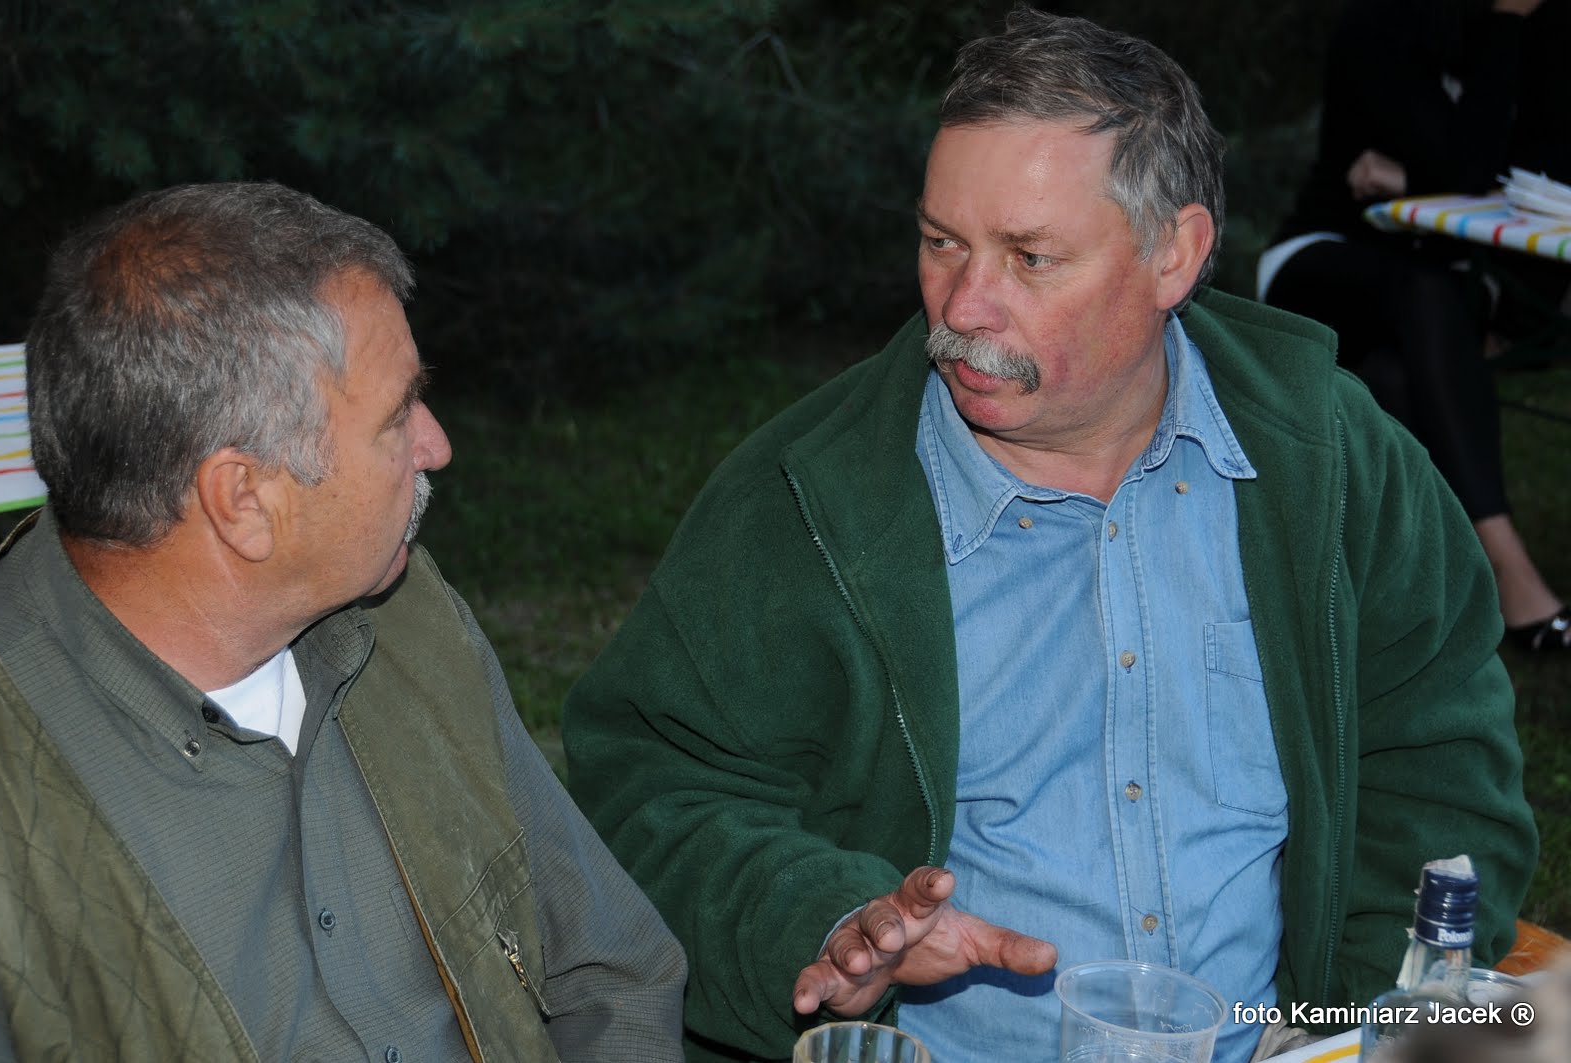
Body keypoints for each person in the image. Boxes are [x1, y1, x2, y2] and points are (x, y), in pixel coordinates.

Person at [563, 8, 1538, 1063]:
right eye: (942, 242)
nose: (963, 307)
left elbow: (1439, 773)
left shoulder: (1328, 462)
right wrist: (824, 913)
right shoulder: (807, 501)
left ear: (1174, 255)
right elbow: (650, 789)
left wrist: (1347, 1030)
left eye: (1029, 257)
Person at [0, 182, 687, 1062]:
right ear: (243, 500)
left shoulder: (407, 619)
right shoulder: (0, 813)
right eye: (396, 415)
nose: (436, 445)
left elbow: (613, 971)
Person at [1259, 0, 1571, 652]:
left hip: (1446, 287)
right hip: (1328, 260)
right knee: (1423, 295)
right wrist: (1506, 28)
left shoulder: (1541, 33)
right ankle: (1506, 568)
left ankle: (1416, 598)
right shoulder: (1378, 26)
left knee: (1396, 378)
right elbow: (1471, 171)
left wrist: (1412, 174)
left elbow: (1541, 174)